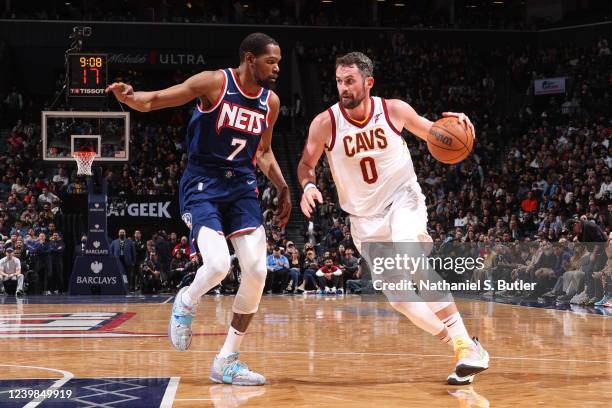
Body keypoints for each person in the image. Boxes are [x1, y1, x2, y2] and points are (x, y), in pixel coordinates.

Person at [106, 32, 291, 385]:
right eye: (271, 60)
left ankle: (227, 360)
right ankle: (187, 300)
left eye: (279, 61)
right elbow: (158, 99)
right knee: (219, 265)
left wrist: (283, 186)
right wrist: (132, 98)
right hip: (203, 182)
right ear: (249, 58)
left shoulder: (271, 102)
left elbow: (263, 152)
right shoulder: (215, 82)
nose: (277, 67)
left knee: (256, 271)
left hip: (242, 186)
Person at [297, 52, 488, 386]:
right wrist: (308, 185)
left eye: (350, 81)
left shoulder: (393, 110)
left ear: (368, 82)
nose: (343, 87)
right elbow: (305, 163)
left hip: (403, 199)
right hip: (364, 220)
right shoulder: (325, 122)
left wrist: (458, 127)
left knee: (410, 257)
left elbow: (435, 134)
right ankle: (464, 345)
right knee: (401, 300)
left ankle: (465, 347)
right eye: (339, 81)